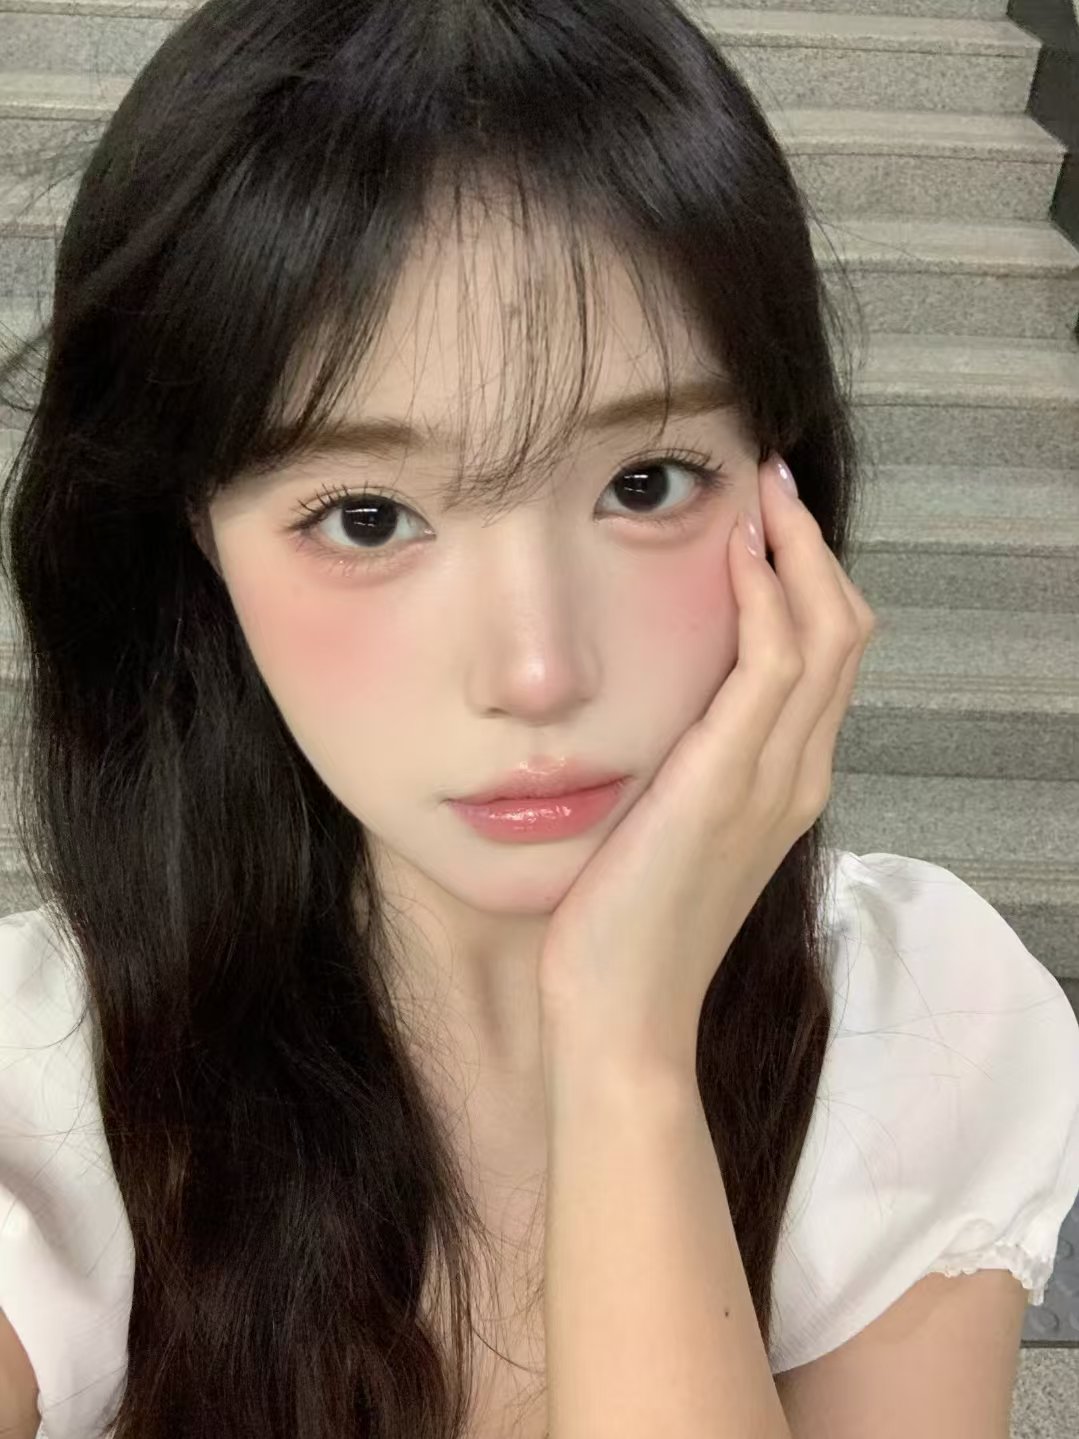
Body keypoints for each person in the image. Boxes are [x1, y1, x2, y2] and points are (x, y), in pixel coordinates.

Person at [1, 2, 1077, 1437]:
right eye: (367, 516)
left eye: (645, 483)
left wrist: (627, 1053)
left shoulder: (916, 1018)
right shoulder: (46, 1082)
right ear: (197, 545)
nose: (537, 670)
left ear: (783, 496)